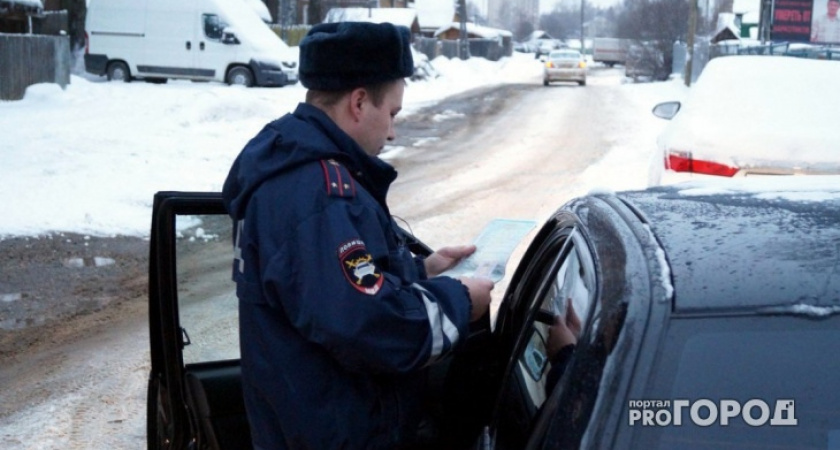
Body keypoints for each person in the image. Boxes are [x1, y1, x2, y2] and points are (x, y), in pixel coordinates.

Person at [221, 21, 495, 449]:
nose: (392, 132)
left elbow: (330, 284)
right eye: (392, 114)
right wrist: (461, 299)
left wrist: (422, 268)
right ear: (359, 103)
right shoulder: (317, 194)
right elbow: (369, 324)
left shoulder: (293, 172)